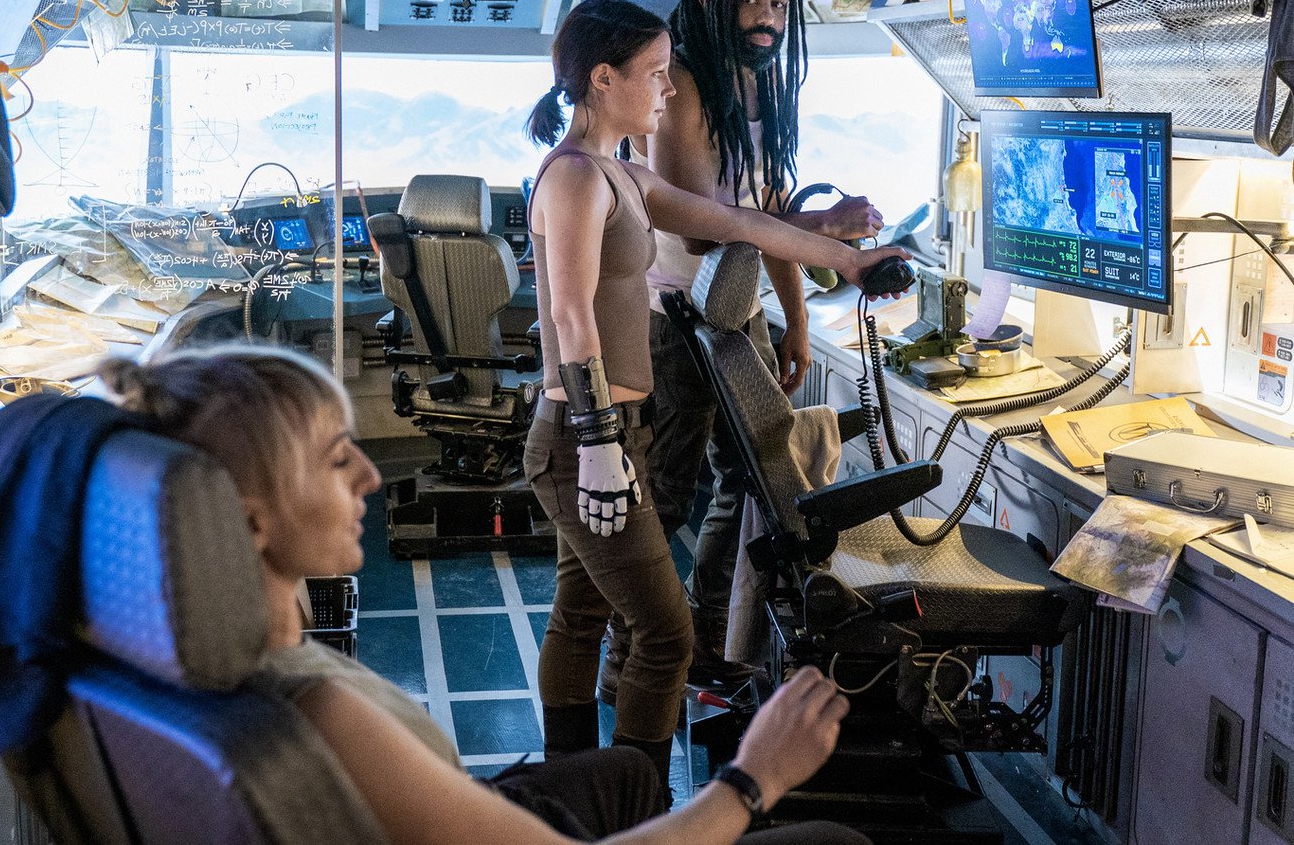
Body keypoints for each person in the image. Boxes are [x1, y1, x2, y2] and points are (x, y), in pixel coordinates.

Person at [104, 344, 871, 845]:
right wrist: (754, 777)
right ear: (251, 522)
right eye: (338, 460)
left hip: (462, 801)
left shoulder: (208, 651)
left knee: (630, 774)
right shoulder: (321, 711)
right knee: (838, 841)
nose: (370, 476)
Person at [522, 0, 908, 800]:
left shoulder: (624, 175)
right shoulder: (574, 178)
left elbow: (738, 224)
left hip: (616, 428)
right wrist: (597, 443)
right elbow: (568, 315)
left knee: (581, 613)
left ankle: (570, 794)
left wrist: (849, 261)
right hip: (582, 435)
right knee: (664, 633)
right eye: (656, 74)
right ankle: (636, 805)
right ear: (604, 78)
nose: (669, 91)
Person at [634, 0, 890, 687]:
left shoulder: (763, 86)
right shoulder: (681, 89)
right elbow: (701, 226)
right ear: (707, 0)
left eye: (778, 4)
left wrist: (796, 324)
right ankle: (634, 649)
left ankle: (708, 638)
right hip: (677, 316)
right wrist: (829, 228)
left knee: (748, 479)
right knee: (669, 492)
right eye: (749, 0)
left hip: (739, 311)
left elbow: (769, 212)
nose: (766, 18)